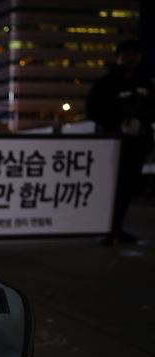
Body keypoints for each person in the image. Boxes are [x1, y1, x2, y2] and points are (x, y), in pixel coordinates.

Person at [86, 38, 155, 246]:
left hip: (136, 144)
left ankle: (118, 228)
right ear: (118, 57)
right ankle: (106, 228)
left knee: (127, 188)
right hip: (110, 144)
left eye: (134, 54)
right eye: (126, 54)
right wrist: (117, 123)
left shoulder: (146, 83)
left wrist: (141, 122)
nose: (130, 58)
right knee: (109, 187)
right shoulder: (105, 83)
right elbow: (93, 110)